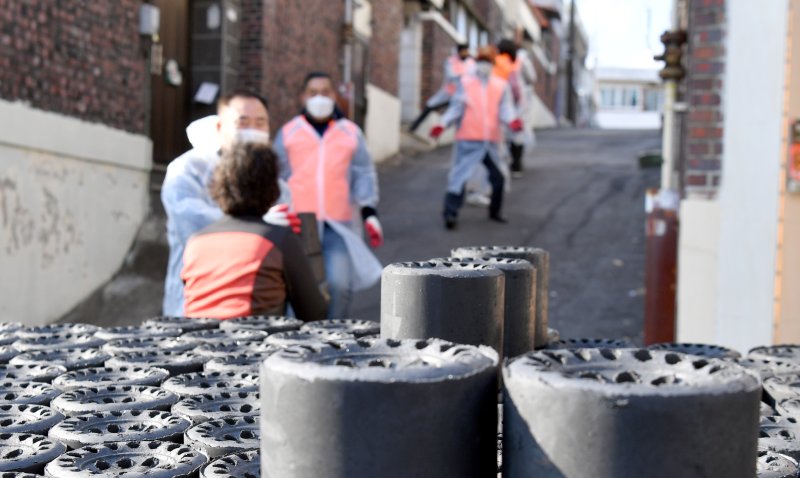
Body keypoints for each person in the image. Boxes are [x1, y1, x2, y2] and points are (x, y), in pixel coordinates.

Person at [161, 89, 299, 316]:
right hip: (195, 303)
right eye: (243, 122)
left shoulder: (279, 187)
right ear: (220, 127)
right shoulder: (187, 171)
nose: (253, 130)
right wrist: (260, 226)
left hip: (259, 304)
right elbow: (192, 224)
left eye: (260, 123)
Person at [273, 71, 383, 319]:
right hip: (298, 224)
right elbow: (276, 177)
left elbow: (364, 172)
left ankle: (333, 335)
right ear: (303, 97)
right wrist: (275, 212)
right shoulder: (289, 132)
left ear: (335, 96)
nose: (319, 97)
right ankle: (294, 337)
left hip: (338, 225)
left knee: (340, 285)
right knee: (297, 289)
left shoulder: (350, 132)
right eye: (313, 92)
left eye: (325, 92)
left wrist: (369, 212)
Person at [181, 143, 327, 321]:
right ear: (272, 187)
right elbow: (313, 312)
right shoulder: (279, 240)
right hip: (252, 336)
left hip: (194, 336)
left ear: (219, 185)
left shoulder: (195, 242)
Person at [430, 46, 522, 229]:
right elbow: (456, 107)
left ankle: (495, 211)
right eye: (482, 61)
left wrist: (512, 121)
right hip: (469, 139)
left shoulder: (500, 86)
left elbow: (505, 109)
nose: (484, 65)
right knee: (459, 177)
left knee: (498, 178)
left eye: (488, 62)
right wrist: (443, 123)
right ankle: (450, 213)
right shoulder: (466, 83)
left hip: (491, 142)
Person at [408, 44, 474, 133]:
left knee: (457, 113)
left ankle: (450, 128)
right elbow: (451, 75)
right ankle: (415, 126)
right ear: (459, 51)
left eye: (466, 50)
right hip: (449, 92)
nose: (465, 53)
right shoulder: (451, 61)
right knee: (431, 105)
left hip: (462, 94)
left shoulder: (471, 62)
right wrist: (462, 76)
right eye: (464, 51)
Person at [495, 38, 537, 177]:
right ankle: (516, 163)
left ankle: (509, 161)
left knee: (506, 131)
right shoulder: (521, 61)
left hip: (504, 100)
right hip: (517, 102)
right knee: (517, 132)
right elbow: (532, 78)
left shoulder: (497, 61)